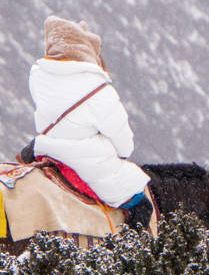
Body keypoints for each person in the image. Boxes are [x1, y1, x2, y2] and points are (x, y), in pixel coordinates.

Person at [21, 16, 152, 230]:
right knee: (142, 206)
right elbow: (125, 146)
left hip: (46, 150)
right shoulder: (98, 90)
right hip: (86, 162)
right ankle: (121, 255)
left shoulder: (39, 77)